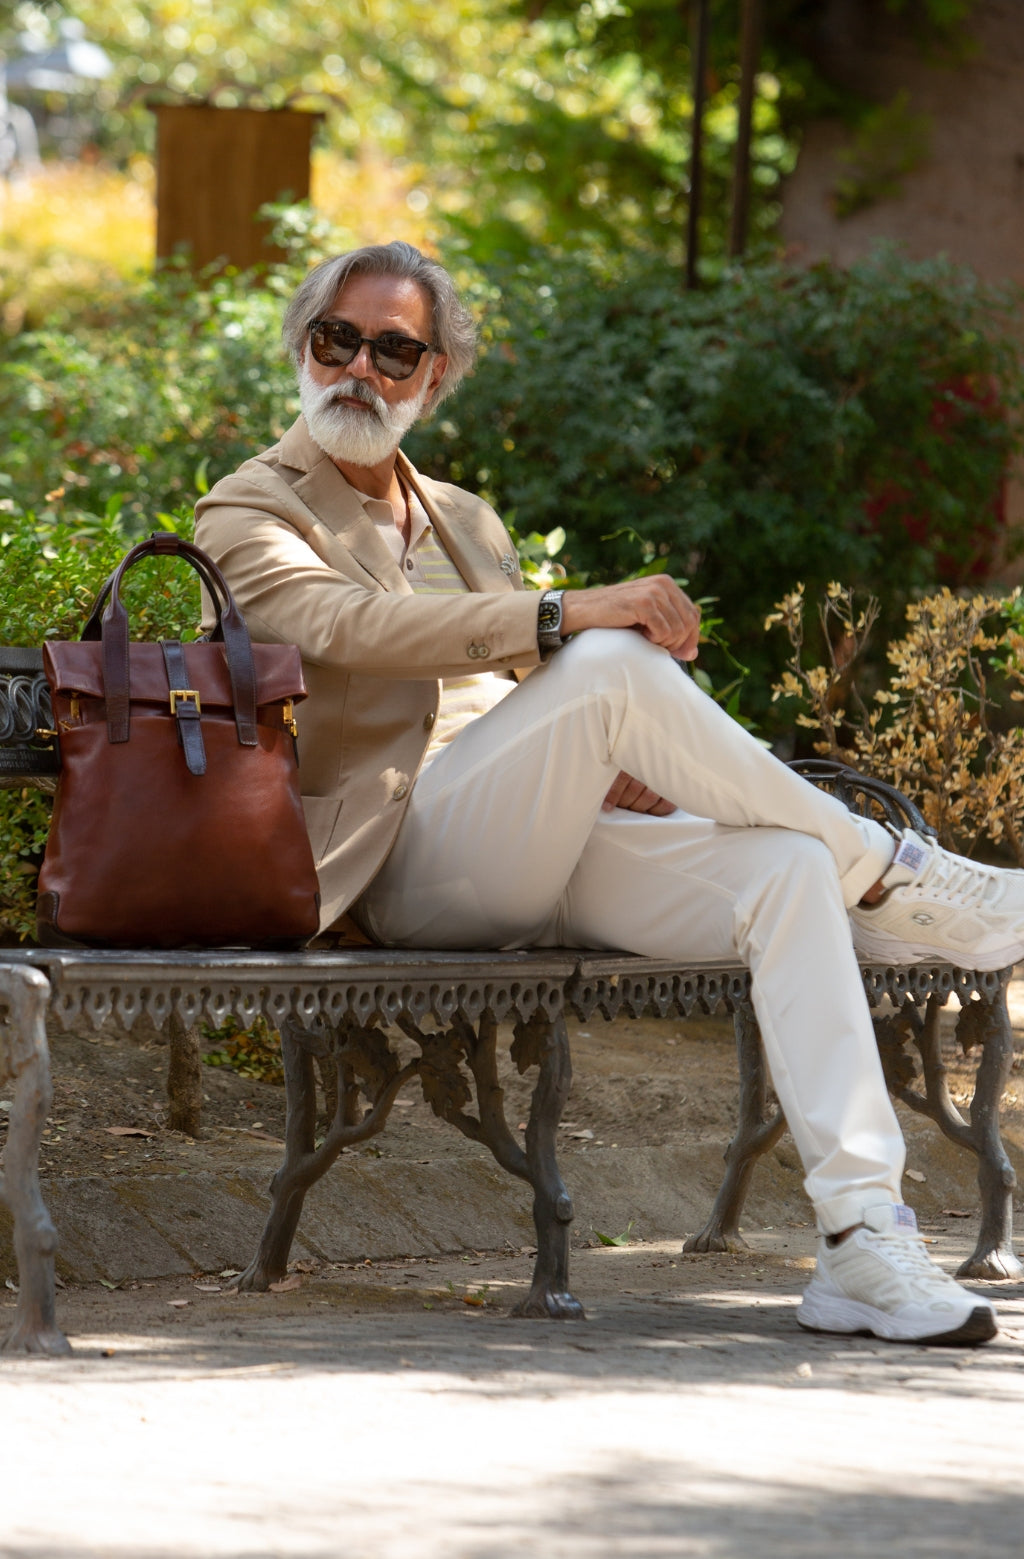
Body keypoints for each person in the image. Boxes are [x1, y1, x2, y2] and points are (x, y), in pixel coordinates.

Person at [195, 241, 1024, 1348]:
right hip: (398, 866)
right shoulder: (247, 507)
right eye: (336, 338)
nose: (358, 368)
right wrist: (567, 615)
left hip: (537, 847)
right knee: (606, 655)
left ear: (433, 377)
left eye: (392, 351)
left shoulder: (465, 520)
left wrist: (611, 759)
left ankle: (860, 1237)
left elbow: (521, 695)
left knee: (782, 869)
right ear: (303, 346)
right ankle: (887, 870)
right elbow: (351, 626)